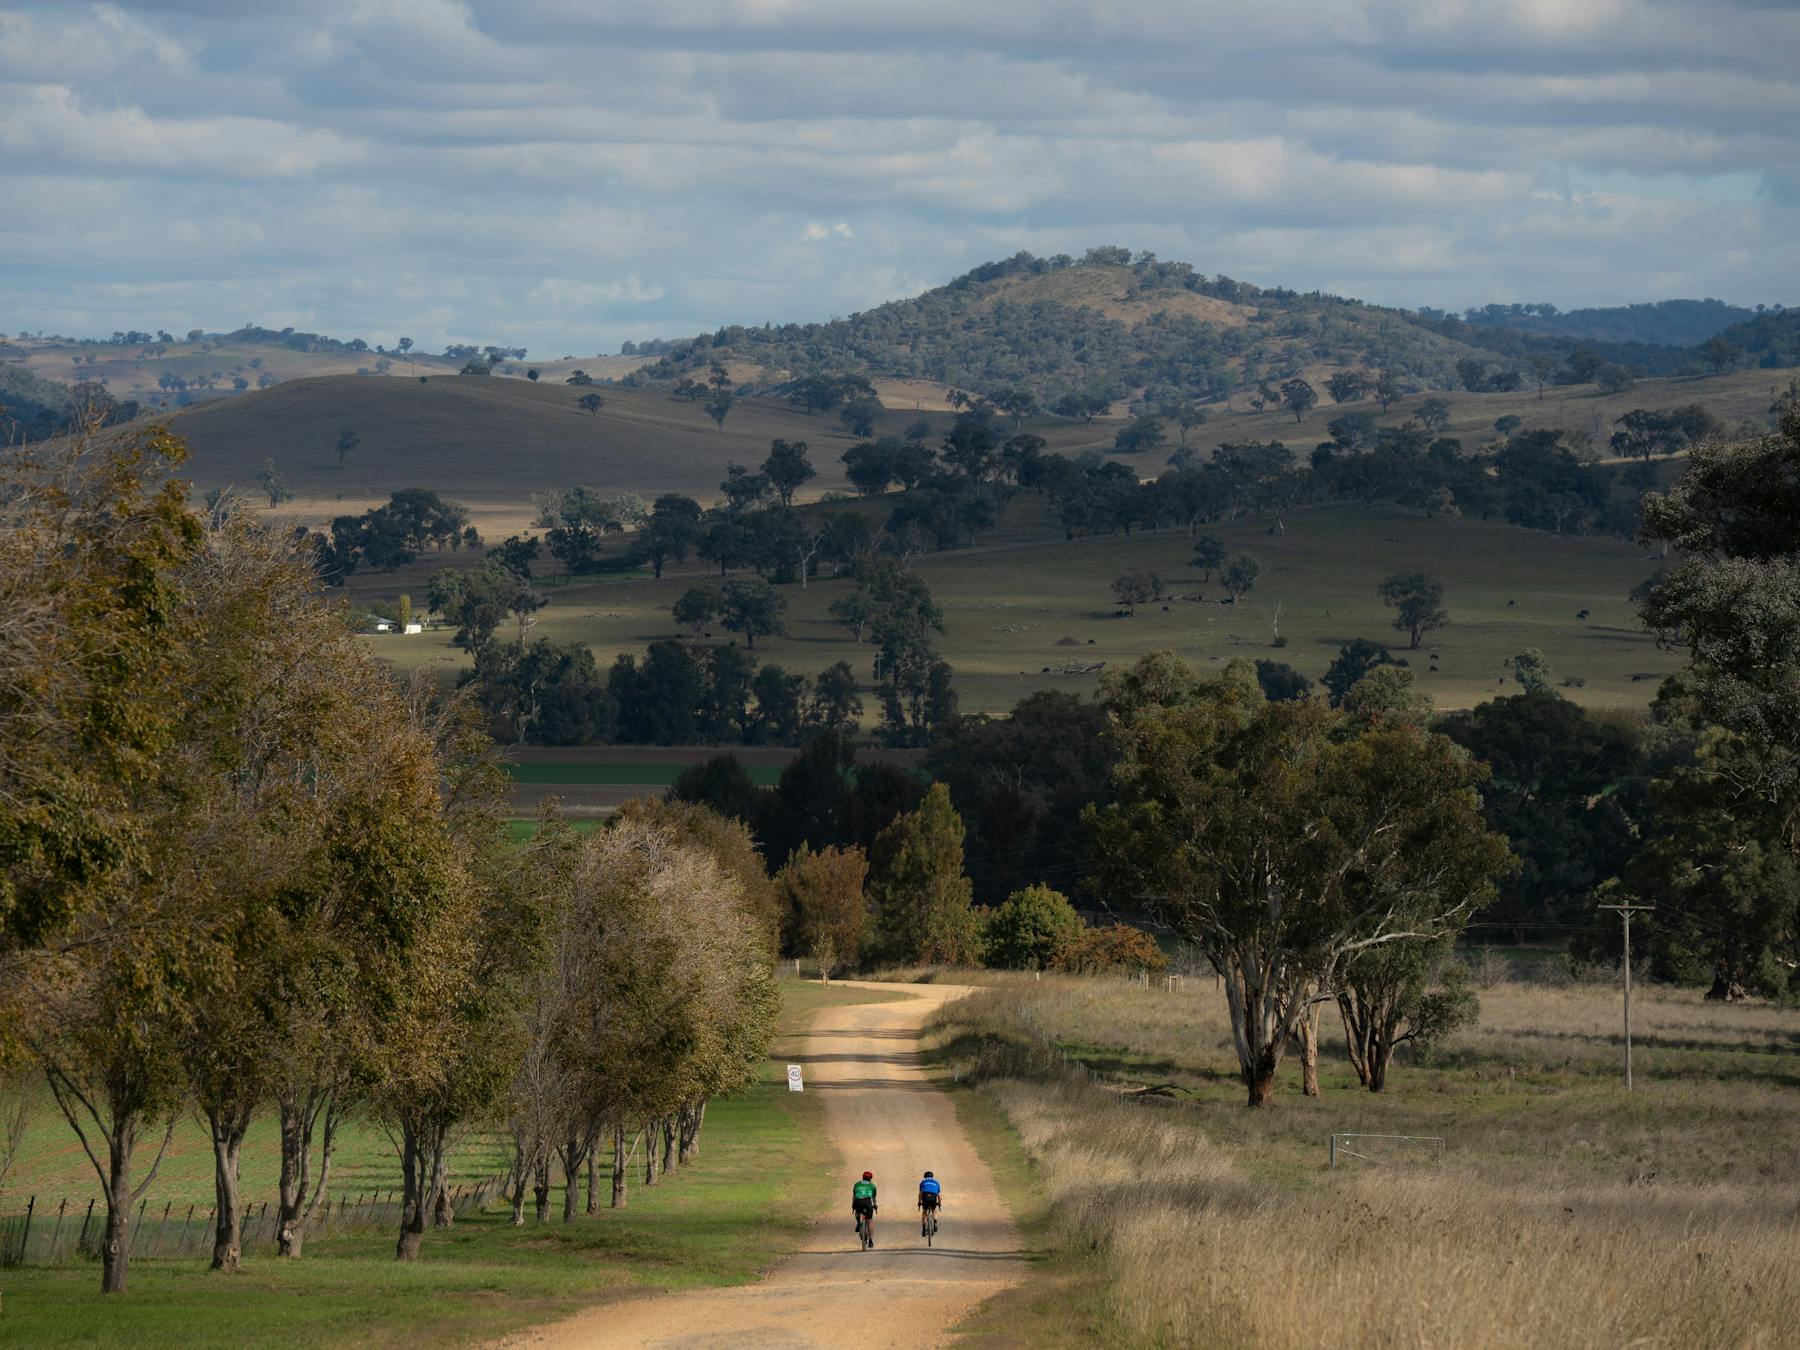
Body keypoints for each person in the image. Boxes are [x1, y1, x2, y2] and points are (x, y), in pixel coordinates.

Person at [851, 1170, 877, 1245]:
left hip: (858, 1201)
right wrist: (875, 1205)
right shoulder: (873, 1186)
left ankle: (859, 1222)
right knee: (870, 1220)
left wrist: (853, 1205)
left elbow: (854, 1196)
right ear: (870, 1178)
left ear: (863, 1177)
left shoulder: (857, 1184)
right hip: (867, 1202)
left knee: (857, 1211)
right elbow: (874, 1198)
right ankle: (871, 1241)